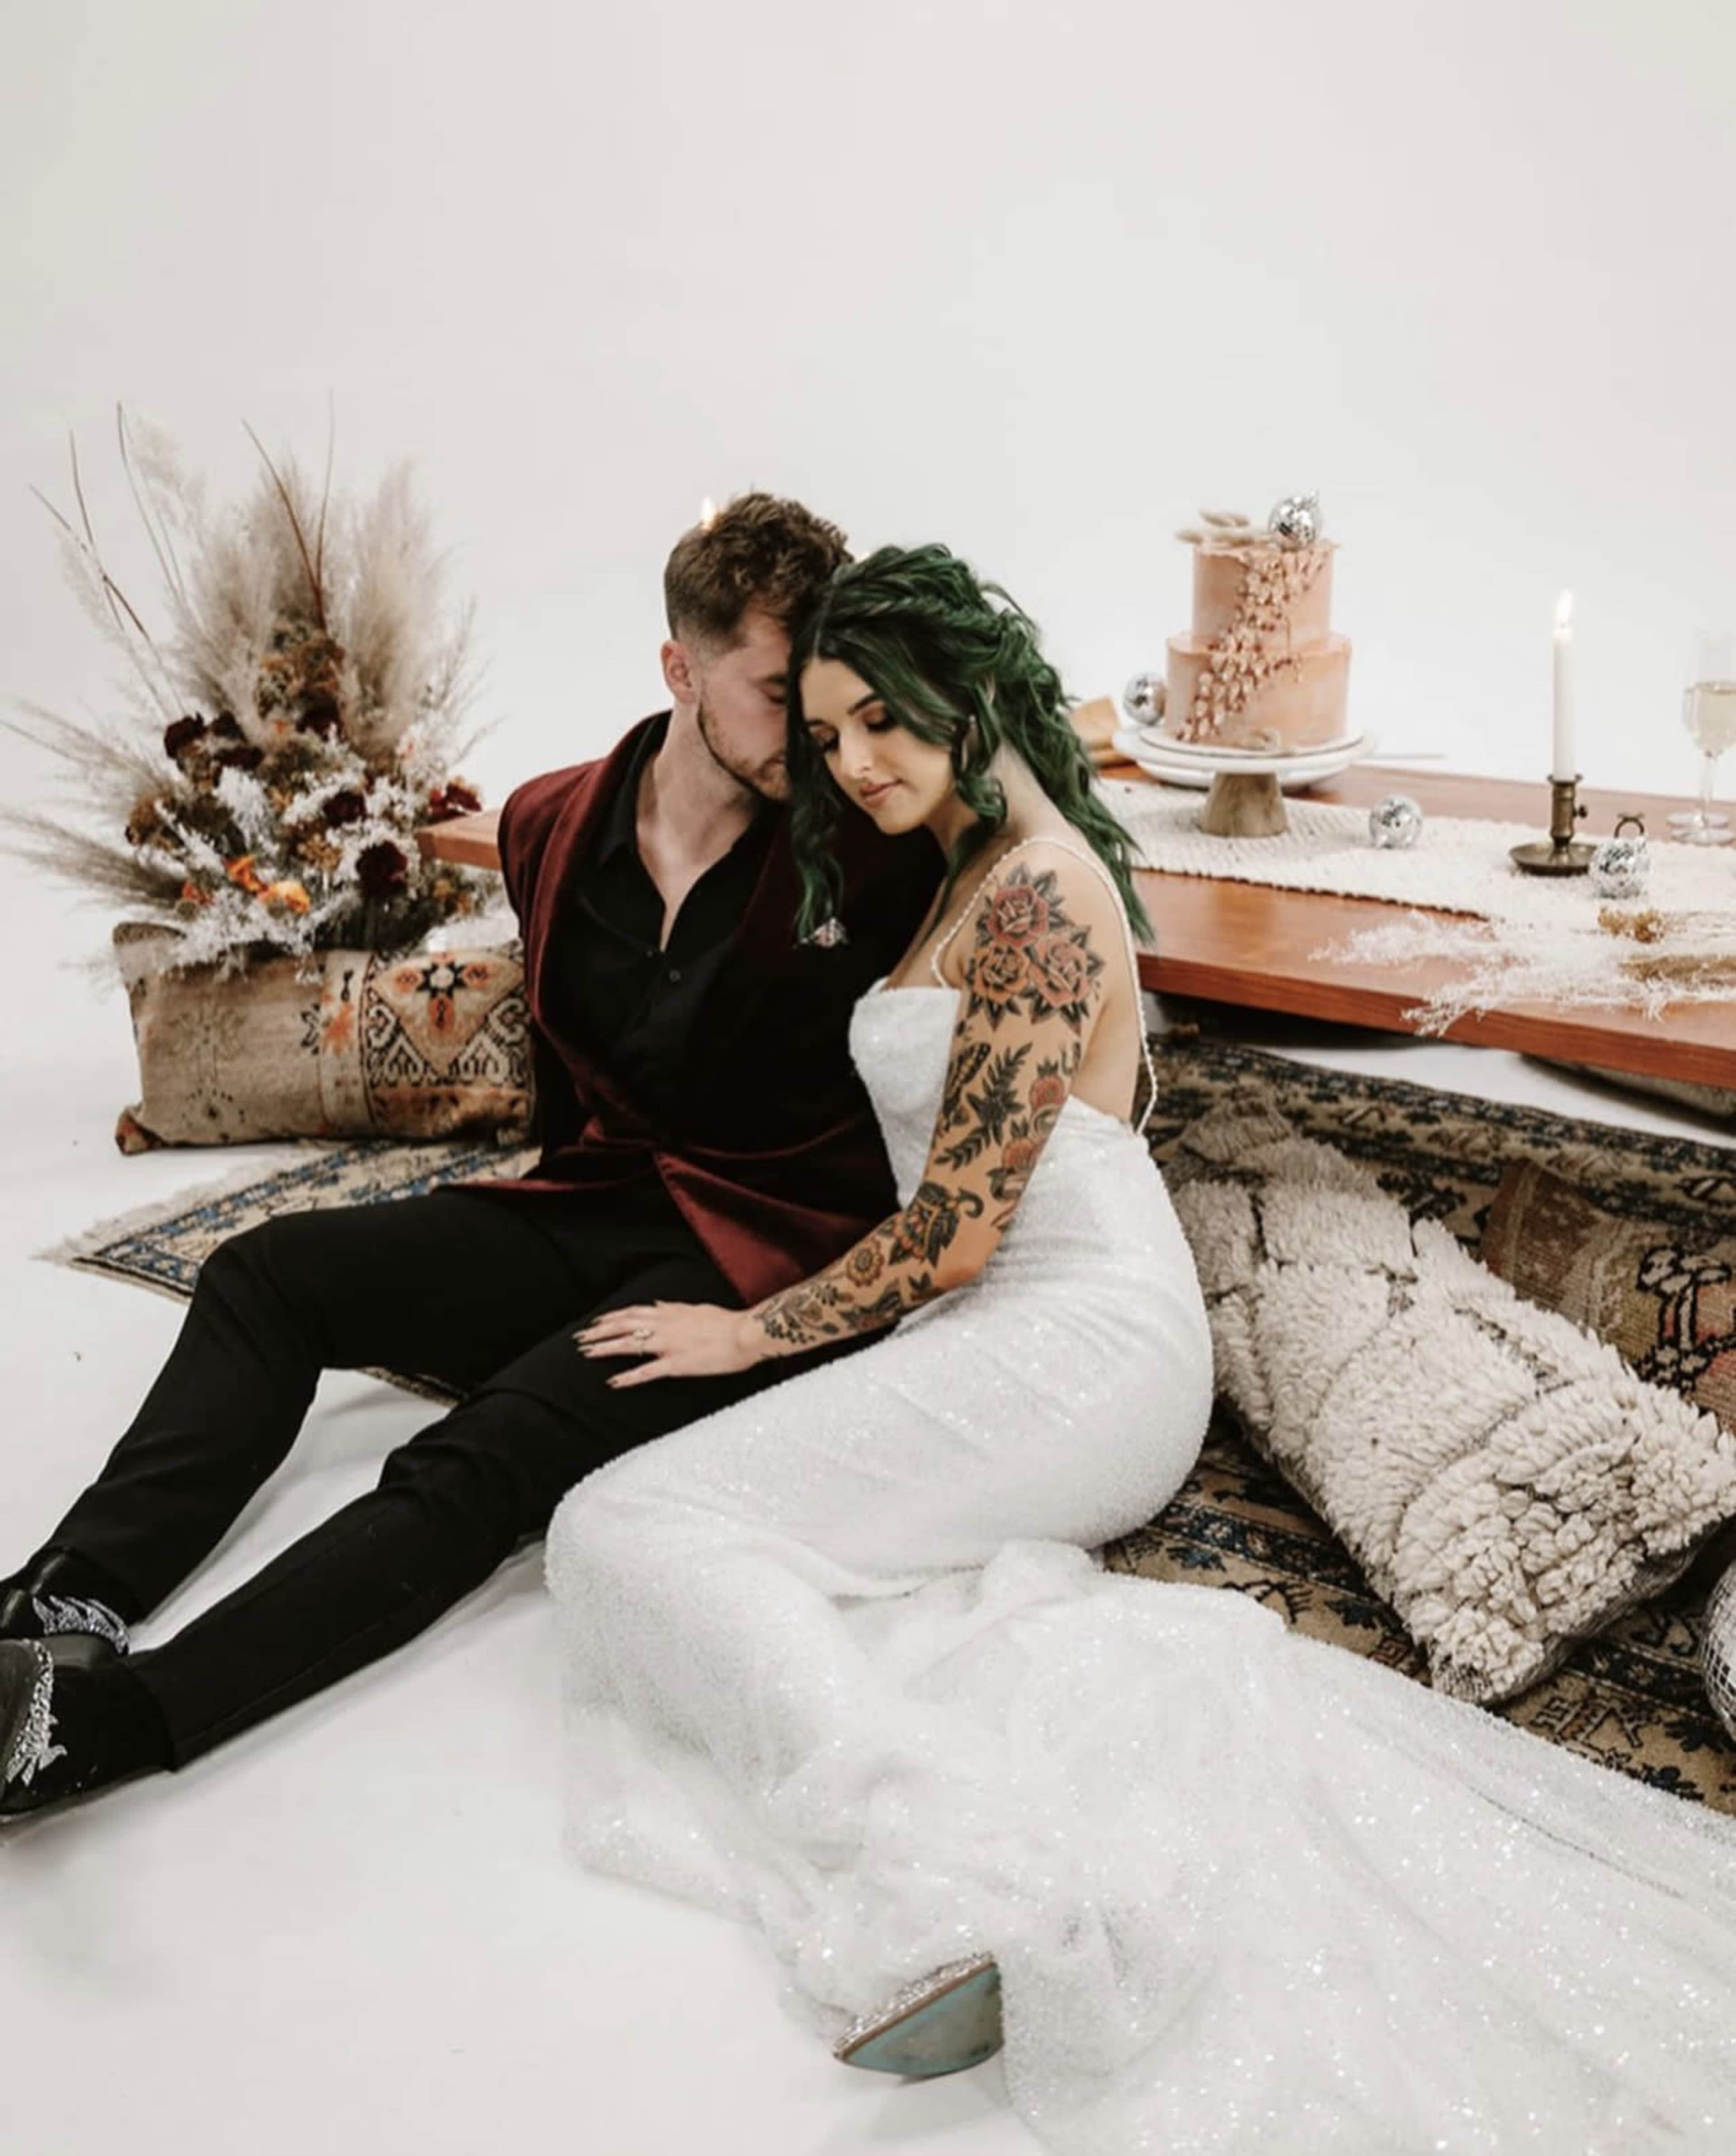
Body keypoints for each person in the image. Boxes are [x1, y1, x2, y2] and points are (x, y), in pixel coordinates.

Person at [543, 544, 1736, 2152]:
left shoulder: (1034, 891)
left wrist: (743, 1329)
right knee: (819, 1570)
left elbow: (958, 1231)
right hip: (1018, 1325)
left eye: (883, 718)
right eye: (825, 733)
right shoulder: (975, 862)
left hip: (1083, 1338)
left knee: (625, 1520)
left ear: (968, 691)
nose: (856, 761)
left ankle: (950, 1868)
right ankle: (968, 1806)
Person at [0, 494, 938, 1816]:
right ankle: (63, 1597)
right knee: (269, 1272)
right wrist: (513, 1264)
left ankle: (112, 1723)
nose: (819, 730)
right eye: (781, 692)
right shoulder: (551, 825)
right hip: (603, 1197)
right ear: (680, 668)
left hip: (762, 1249)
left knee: (479, 1461)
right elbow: (567, 1081)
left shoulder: (879, 847)